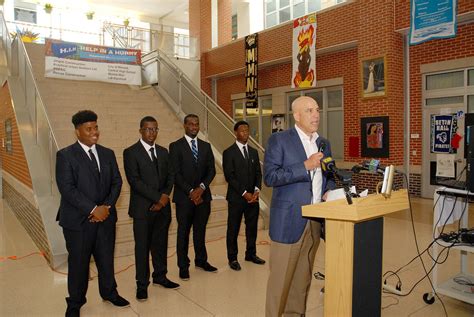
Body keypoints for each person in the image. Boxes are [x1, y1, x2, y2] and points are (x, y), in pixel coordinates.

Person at [263, 96, 336, 316]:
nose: (316, 115)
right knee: (280, 284)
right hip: (288, 221)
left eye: (317, 110)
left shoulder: (324, 143)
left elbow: (329, 175)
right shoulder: (280, 140)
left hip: (313, 222)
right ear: (296, 116)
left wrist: (328, 190)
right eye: (309, 110)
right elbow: (270, 177)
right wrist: (305, 166)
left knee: (302, 281)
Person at [55, 110, 129, 317]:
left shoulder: (107, 153)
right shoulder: (65, 155)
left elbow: (117, 182)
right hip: (78, 222)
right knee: (79, 263)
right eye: (89, 129)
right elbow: (67, 189)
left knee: (106, 259)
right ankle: (75, 302)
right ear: (77, 132)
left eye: (96, 127)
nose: (94, 132)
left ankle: (109, 293)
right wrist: (93, 209)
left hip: (105, 218)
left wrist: (106, 207)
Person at [123, 116, 180, 302]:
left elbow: (171, 176)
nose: (152, 133)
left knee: (160, 244)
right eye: (148, 129)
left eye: (155, 129)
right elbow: (135, 181)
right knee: (142, 247)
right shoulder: (130, 152)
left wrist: (164, 199)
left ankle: (160, 276)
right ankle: (142, 284)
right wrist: (158, 198)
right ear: (140, 130)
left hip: (162, 210)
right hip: (142, 210)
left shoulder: (164, 152)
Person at [169, 114, 217, 280]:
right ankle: (183, 266)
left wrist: (201, 189)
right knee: (183, 232)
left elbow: (212, 170)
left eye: (196, 124)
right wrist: (191, 191)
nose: (194, 127)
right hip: (184, 198)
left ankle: (201, 260)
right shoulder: (175, 146)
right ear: (184, 125)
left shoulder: (206, 146)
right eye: (190, 124)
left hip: (203, 197)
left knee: (200, 231)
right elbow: (175, 173)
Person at [222, 121, 265, 271]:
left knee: (252, 228)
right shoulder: (229, 152)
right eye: (242, 131)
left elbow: (258, 174)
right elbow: (230, 176)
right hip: (236, 198)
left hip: (253, 198)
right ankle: (232, 258)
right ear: (235, 132)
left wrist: (256, 190)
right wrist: (244, 193)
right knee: (233, 229)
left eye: (247, 130)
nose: (245, 133)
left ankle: (251, 254)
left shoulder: (253, 152)